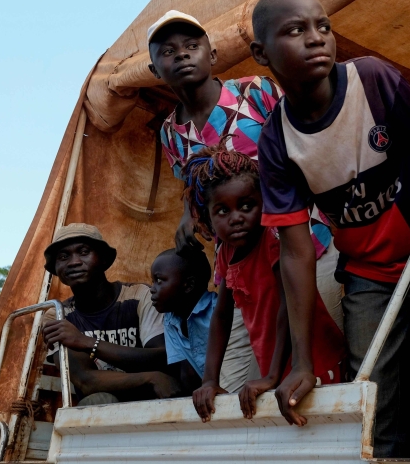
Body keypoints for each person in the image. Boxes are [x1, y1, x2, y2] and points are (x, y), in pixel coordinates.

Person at [250, 0, 410, 457]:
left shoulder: (370, 79)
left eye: (323, 27)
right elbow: (295, 251)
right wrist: (302, 362)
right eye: (295, 31)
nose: (316, 39)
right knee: (372, 402)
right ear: (261, 53)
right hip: (368, 278)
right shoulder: (276, 141)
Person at [147, 9, 343, 392]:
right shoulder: (170, 133)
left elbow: (307, 145)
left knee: (322, 360)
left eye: (192, 46)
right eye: (168, 51)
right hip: (241, 273)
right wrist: (189, 217)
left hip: (308, 243)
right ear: (155, 69)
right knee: (237, 387)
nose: (183, 55)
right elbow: (193, 195)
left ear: (212, 54)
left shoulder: (256, 91)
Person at [183, 146, 345, 422]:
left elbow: (288, 305)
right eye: (222, 211)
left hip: (314, 362)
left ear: (265, 201)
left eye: (247, 206)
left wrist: (269, 376)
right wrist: (209, 379)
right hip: (278, 365)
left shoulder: (274, 240)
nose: (236, 217)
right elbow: (221, 317)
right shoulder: (225, 253)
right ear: (207, 218)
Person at [41, 223, 178, 405]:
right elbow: (85, 380)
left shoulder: (139, 295)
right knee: (99, 399)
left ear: (104, 259)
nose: (74, 262)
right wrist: (150, 378)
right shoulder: (58, 315)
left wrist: (85, 342)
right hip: (102, 411)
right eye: (63, 256)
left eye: (84, 252)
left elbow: (162, 358)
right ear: (57, 269)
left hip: (152, 402)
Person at [149, 246, 216, 395]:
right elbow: (187, 374)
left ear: (189, 285)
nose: (152, 289)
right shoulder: (170, 319)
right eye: (153, 282)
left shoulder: (217, 313)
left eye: (159, 281)